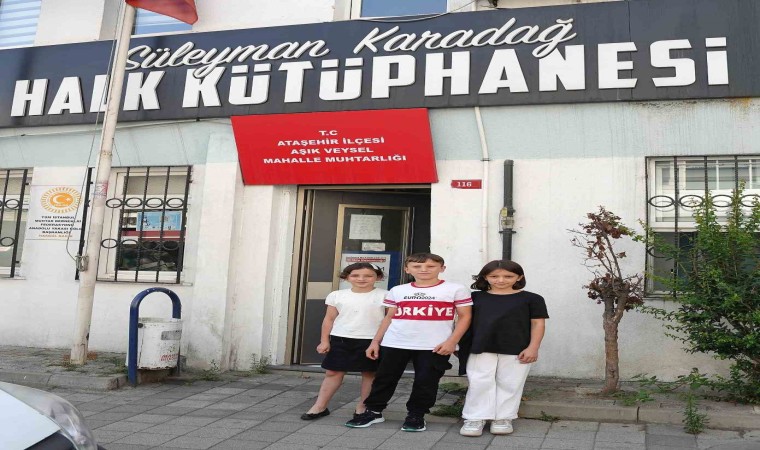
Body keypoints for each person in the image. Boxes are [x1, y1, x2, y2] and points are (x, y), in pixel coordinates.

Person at [345, 253, 472, 432]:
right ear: (407, 269)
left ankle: (416, 415)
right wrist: (376, 341)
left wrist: (452, 342)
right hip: (395, 342)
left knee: (426, 381)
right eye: (417, 266)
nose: (423, 270)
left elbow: (465, 317)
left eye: (430, 266)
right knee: (384, 379)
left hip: (434, 345)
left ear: (442, 268)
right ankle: (373, 411)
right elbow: (389, 317)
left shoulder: (455, 289)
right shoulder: (398, 290)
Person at [457, 260, 549, 437]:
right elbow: (462, 320)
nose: (501, 280)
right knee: (479, 382)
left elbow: (538, 324)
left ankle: (503, 418)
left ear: (519, 277)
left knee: (511, 383)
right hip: (480, 346)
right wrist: (457, 343)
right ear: (485, 277)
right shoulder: (474, 297)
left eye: (508, 276)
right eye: (494, 276)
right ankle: (475, 417)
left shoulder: (532, 299)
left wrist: (533, 347)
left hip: (518, 348)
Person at [300, 262, 388, 421]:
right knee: (333, 372)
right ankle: (320, 406)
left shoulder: (385, 295)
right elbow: (329, 319)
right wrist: (324, 340)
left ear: (378, 277)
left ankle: (363, 406)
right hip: (340, 339)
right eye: (355, 275)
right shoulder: (337, 295)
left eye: (368, 275)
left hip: (372, 340)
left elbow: (389, 320)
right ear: (346, 277)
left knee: (370, 374)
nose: (361, 279)